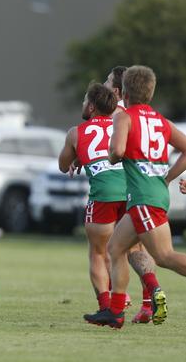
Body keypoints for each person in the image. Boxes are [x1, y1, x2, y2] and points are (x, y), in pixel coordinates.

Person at [84, 65, 186, 328]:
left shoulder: (125, 117)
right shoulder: (161, 120)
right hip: (151, 194)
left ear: (123, 93)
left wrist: (111, 155)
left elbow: (116, 151)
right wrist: (167, 178)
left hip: (143, 197)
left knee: (164, 256)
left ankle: (116, 310)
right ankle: (115, 313)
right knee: (115, 248)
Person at [58, 82, 159, 324]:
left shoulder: (76, 132)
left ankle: (108, 308)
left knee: (98, 253)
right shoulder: (123, 123)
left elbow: (63, 165)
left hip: (103, 195)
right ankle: (153, 288)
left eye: (84, 100)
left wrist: (78, 157)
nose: (83, 104)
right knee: (133, 249)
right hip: (130, 193)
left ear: (91, 106)